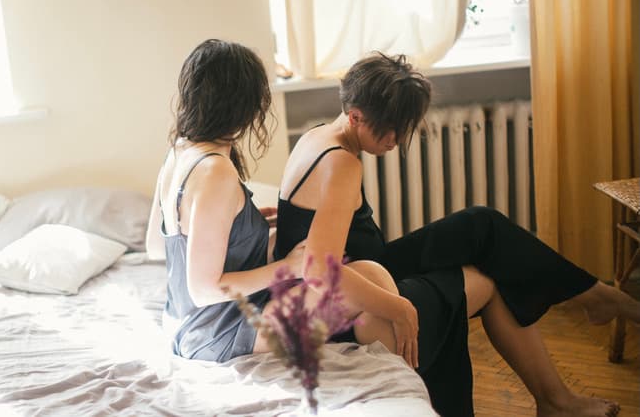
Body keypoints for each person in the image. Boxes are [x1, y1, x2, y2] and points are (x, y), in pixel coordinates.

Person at [272, 51, 640, 417]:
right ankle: (557, 399)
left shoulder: (319, 136)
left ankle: (593, 298)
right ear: (355, 116)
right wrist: (398, 308)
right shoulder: (340, 164)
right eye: (392, 130)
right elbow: (320, 271)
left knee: (482, 224)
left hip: (365, 274)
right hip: (347, 311)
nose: (397, 141)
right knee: (489, 284)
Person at [145, 39, 403, 367]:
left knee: (368, 274)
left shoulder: (179, 151)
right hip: (216, 331)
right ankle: (412, 373)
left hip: (183, 322)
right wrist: (287, 269)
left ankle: (405, 362)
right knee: (368, 284)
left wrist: (240, 226)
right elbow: (203, 290)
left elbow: (156, 245)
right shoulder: (215, 171)